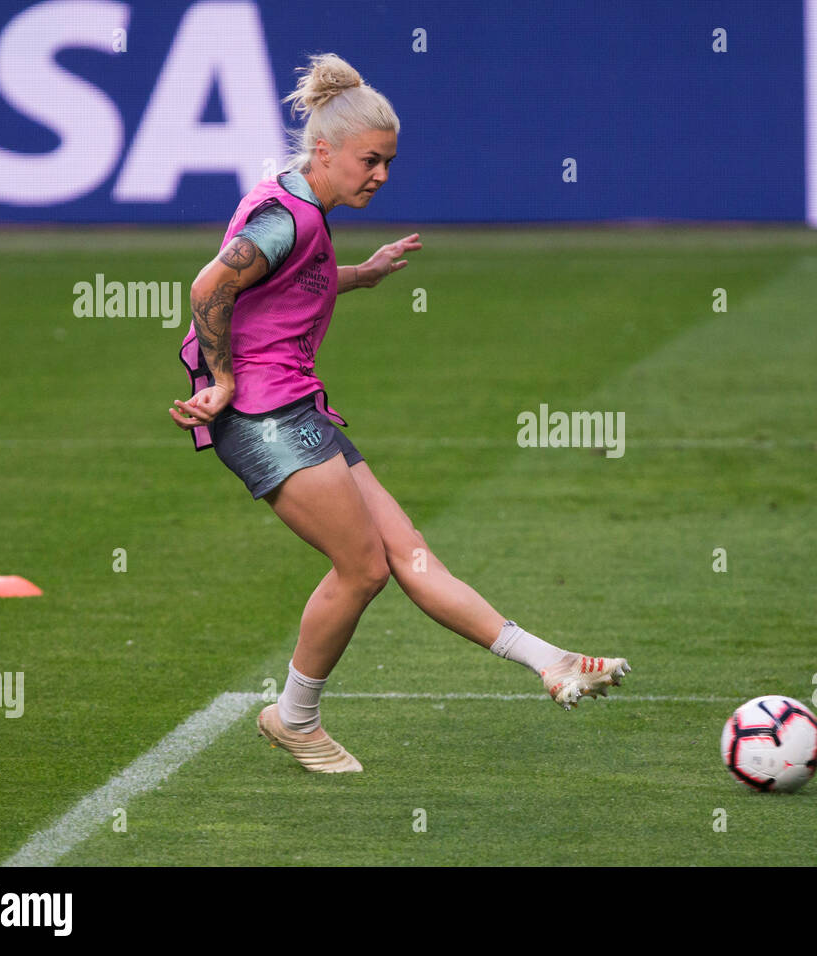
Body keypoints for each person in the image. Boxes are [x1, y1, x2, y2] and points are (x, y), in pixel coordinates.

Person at [169, 53, 630, 773]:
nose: (380, 174)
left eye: (388, 162)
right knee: (362, 568)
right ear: (325, 152)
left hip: (295, 407)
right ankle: (293, 718)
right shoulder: (285, 218)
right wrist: (222, 379)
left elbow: (292, 287)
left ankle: (552, 661)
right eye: (369, 160)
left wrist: (364, 273)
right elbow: (210, 286)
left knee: (410, 554)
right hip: (262, 416)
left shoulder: (303, 207)